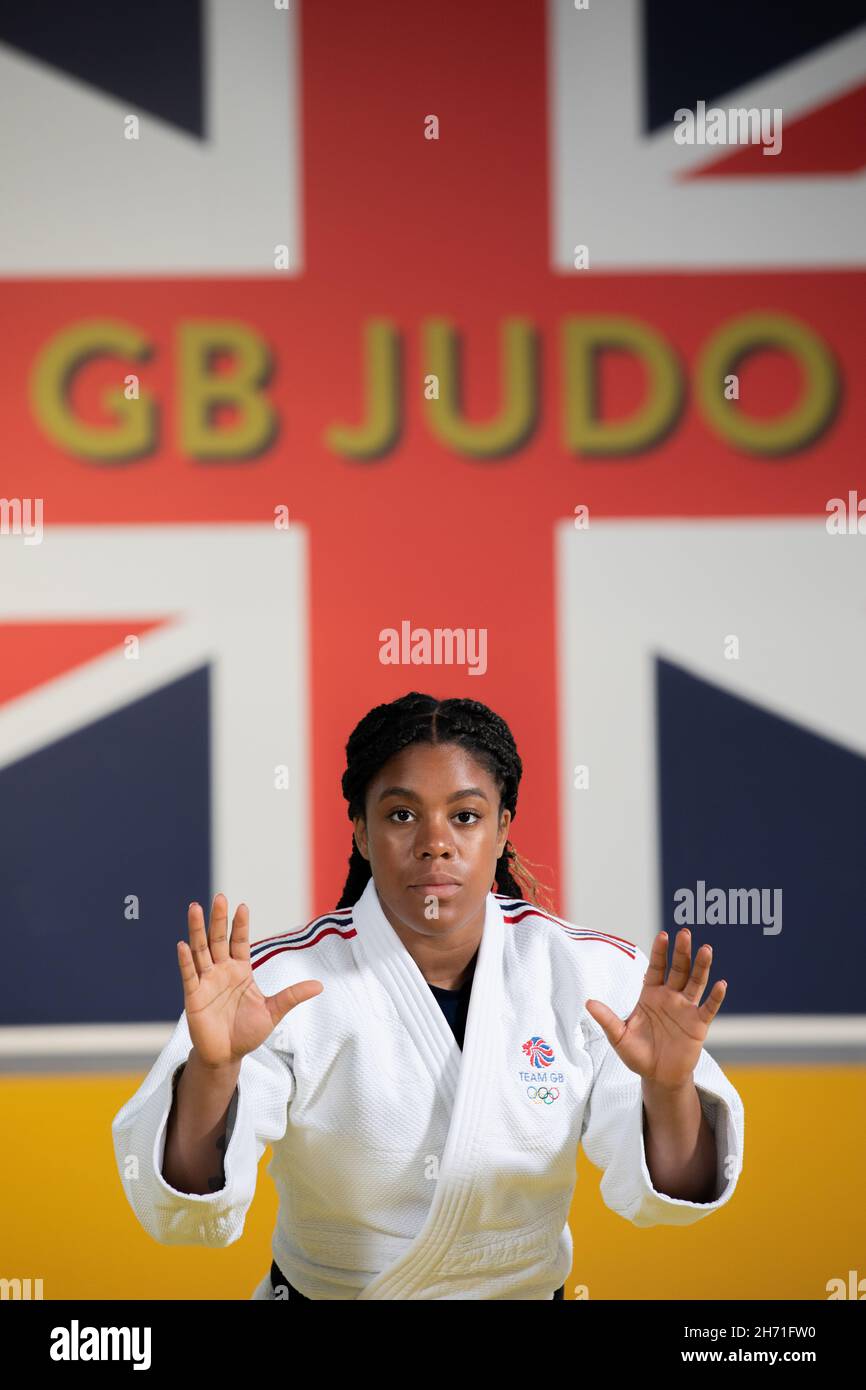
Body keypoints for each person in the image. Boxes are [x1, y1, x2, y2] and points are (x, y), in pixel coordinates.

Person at [111, 691, 745, 1300]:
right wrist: (215, 1071)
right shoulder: (280, 985)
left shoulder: (587, 976)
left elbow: (675, 1198)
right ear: (360, 831)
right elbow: (185, 1212)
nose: (434, 841)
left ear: (502, 831)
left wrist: (668, 1090)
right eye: (401, 814)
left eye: (465, 816)